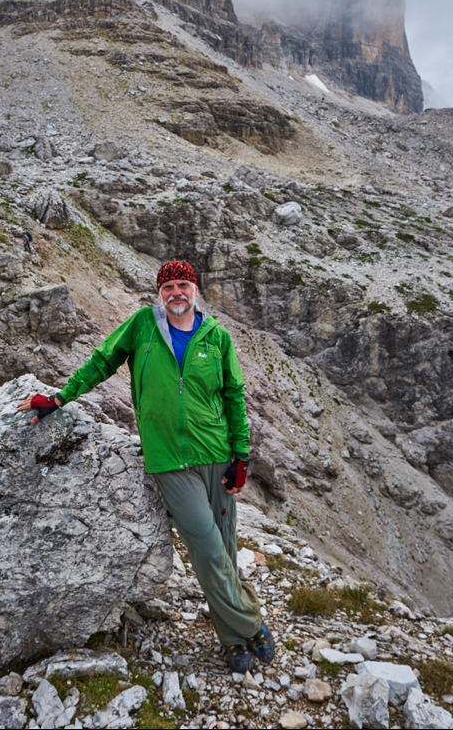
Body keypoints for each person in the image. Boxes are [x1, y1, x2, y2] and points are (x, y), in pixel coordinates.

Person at [17, 259, 274, 673]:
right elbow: (102, 361)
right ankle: (252, 622)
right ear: (160, 293)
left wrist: (241, 456)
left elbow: (234, 396)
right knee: (208, 550)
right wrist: (61, 397)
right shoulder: (141, 326)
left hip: (216, 454)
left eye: (183, 285)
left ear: (195, 291)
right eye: (169, 286)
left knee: (224, 548)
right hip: (170, 462)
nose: (176, 292)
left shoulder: (217, 337)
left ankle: (232, 640)